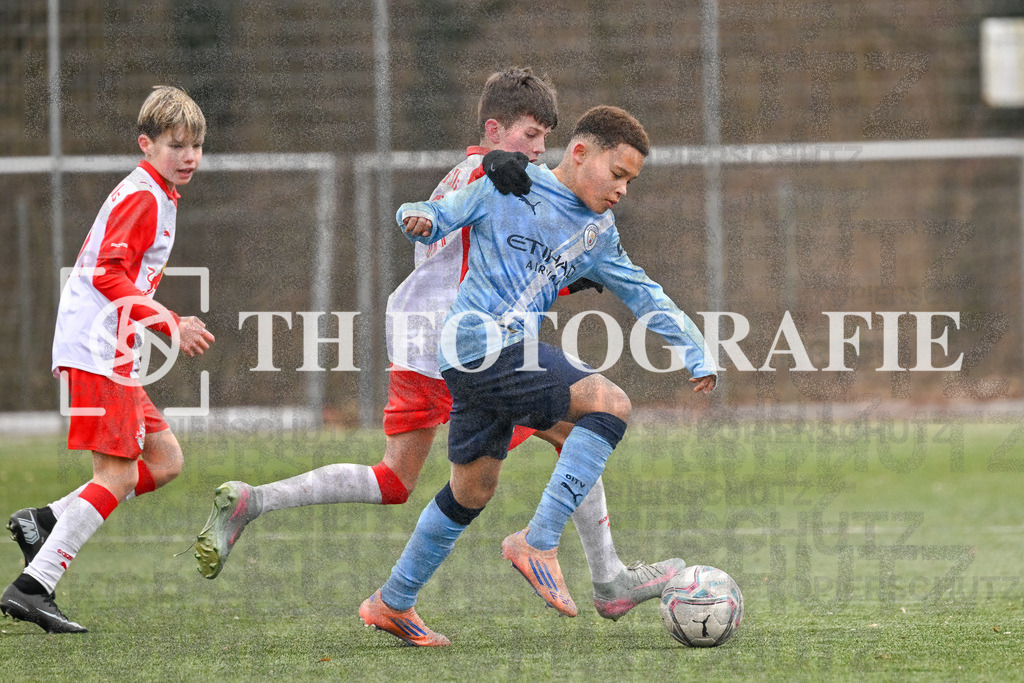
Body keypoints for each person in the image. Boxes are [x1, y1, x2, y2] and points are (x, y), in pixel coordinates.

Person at [194, 68, 686, 621]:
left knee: (395, 478)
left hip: (415, 336)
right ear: (495, 129)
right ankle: (606, 578)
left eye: (545, 139)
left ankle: (255, 500)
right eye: (529, 137)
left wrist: (568, 275)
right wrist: (509, 171)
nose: (538, 150)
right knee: (580, 426)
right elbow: (502, 203)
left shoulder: (466, 174)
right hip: (463, 347)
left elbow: (483, 247)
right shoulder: (493, 172)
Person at [358, 105, 717, 646]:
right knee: (609, 404)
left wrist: (695, 349)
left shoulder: (599, 232)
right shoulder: (508, 186)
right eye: (617, 174)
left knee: (472, 489)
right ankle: (538, 541)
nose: (622, 190)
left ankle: (392, 601)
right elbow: (436, 211)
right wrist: (419, 216)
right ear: (579, 153)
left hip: (485, 359)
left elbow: (645, 292)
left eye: (630, 182)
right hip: (480, 347)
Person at [1, 86, 215, 633]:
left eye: (196, 145)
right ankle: (33, 586)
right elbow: (106, 275)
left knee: (164, 460)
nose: (188, 156)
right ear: (147, 145)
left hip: (112, 348)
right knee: (116, 476)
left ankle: (42, 520)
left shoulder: (161, 193)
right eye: (175, 145)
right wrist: (170, 322)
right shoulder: (144, 195)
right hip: (96, 347)